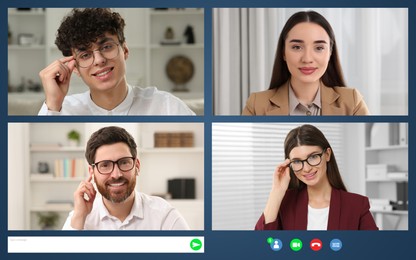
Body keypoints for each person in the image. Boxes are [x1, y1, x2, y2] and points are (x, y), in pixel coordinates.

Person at [38, 8, 195, 115]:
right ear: (75, 68)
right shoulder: (60, 111)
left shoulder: (167, 107)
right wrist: (52, 103)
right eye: (85, 55)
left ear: (125, 50)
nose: (99, 60)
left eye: (106, 47)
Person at [242, 11, 369, 116]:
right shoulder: (256, 105)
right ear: (283, 53)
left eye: (319, 48)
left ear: (330, 53)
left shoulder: (352, 103)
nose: (307, 59)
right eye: (297, 47)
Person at [62, 126, 190, 230]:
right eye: (105, 165)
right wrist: (79, 217)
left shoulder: (163, 215)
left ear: (137, 166)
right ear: (92, 172)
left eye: (124, 162)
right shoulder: (78, 218)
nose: (116, 174)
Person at [255, 124, 377, 230]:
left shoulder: (356, 205)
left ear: (327, 154)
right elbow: (261, 245)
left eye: (313, 157)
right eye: (297, 161)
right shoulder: (284, 203)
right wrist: (277, 191)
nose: (307, 168)